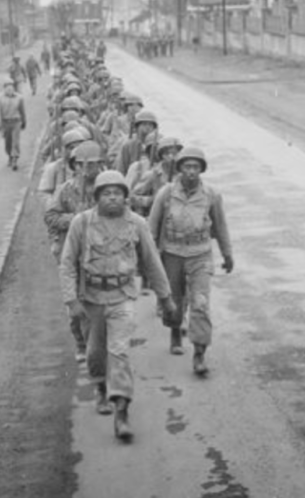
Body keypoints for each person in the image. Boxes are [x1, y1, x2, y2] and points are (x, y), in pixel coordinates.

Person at [59, 170, 177, 441]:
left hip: (122, 296)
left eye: (118, 193)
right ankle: (101, 388)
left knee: (119, 351)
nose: (112, 198)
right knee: (95, 354)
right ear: (97, 197)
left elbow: (151, 261)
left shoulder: (136, 223)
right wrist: (71, 300)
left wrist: (166, 297)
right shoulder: (82, 223)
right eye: (106, 193)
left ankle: (121, 410)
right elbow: (67, 263)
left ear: (126, 197)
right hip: (91, 299)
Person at [148, 147, 233, 372]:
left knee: (201, 304)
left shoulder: (211, 195)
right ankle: (175, 331)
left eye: (196, 167)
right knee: (173, 301)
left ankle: (199, 353)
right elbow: (152, 227)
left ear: (201, 169)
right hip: (172, 254)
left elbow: (221, 226)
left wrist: (227, 253)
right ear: (180, 168)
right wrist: (150, 258)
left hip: (200, 254)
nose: (192, 172)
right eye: (187, 166)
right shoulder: (166, 193)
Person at [45, 141, 106, 363]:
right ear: (75, 166)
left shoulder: (107, 189)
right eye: (82, 165)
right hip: (73, 255)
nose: (87, 169)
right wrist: (75, 220)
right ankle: (80, 342)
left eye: (93, 165)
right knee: (75, 308)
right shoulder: (65, 190)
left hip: (101, 255)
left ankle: (99, 347)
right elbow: (50, 216)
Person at [0, 80, 26, 170]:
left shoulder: (19, 98)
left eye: (11, 87)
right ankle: (10, 156)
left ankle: (15, 160)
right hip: (5, 123)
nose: (9, 89)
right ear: (4, 89)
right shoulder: (0, 98)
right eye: (7, 87)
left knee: (15, 142)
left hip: (16, 122)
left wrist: (24, 122)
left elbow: (22, 111)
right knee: (8, 142)